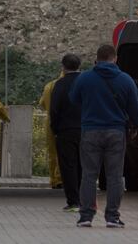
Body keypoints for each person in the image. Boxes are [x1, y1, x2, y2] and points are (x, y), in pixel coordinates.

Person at [69, 45, 138, 228]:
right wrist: (135, 125)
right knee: (115, 176)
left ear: (97, 58)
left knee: (88, 175)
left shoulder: (84, 78)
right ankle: (112, 217)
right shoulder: (126, 80)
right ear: (115, 58)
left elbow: (73, 99)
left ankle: (85, 216)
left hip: (90, 131)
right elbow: (135, 109)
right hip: (116, 132)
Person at [50, 54, 82, 212]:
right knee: (84, 165)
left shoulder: (60, 84)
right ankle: (84, 199)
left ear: (63, 67)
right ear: (79, 66)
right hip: (87, 129)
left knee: (68, 166)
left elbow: (54, 109)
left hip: (66, 130)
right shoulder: (87, 82)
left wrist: (55, 129)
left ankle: (73, 201)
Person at [39, 72, 63, 189]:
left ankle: (53, 179)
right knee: (64, 152)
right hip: (65, 123)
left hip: (50, 122)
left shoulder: (49, 86)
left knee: (52, 153)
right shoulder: (72, 84)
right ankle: (60, 178)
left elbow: (42, 103)